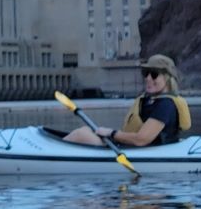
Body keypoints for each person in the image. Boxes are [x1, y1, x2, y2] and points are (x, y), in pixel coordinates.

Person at [62, 54, 190, 148]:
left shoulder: (166, 105)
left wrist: (111, 133)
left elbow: (141, 139)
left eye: (154, 74)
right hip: (130, 147)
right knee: (84, 130)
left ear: (167, 78)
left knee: (81, 135)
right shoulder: (149, 100)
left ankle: (50, 153)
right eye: (146, 73)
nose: (148, 78)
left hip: (141, 150)